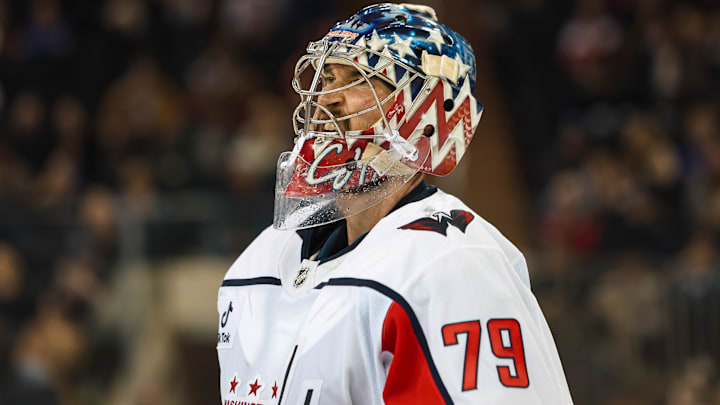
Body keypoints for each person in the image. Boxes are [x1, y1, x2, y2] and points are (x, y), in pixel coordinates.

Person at [216, 3, 573, 404]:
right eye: (326, 77)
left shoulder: (450, 264)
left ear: (428, 114)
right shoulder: (259, 260)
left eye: (361, 79)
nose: (327, 100)